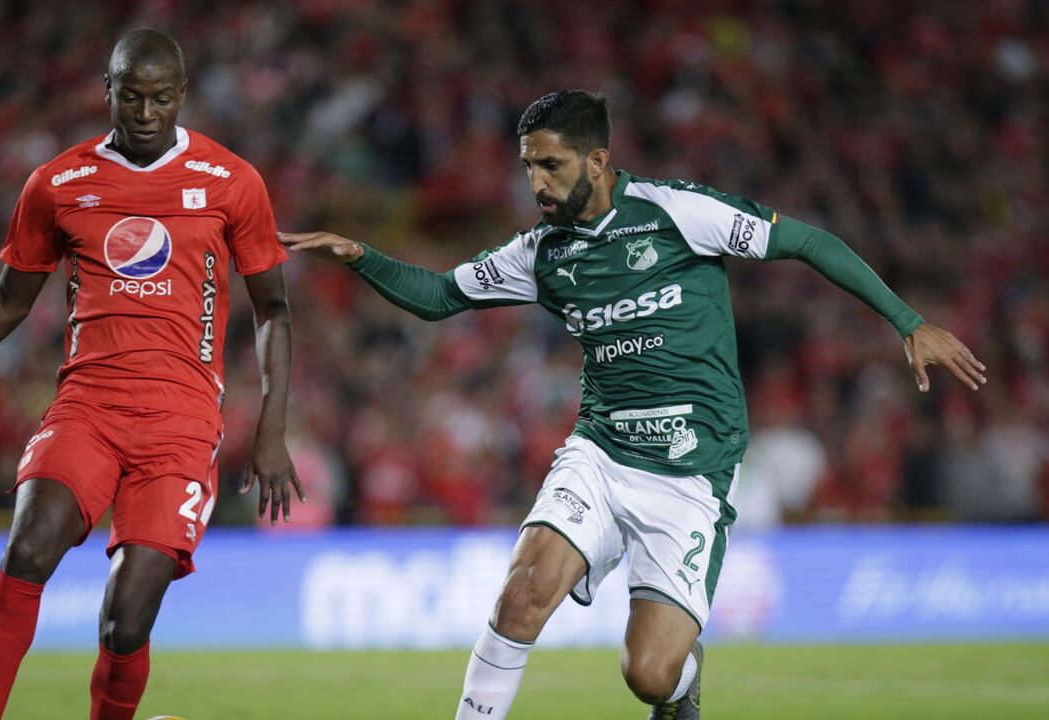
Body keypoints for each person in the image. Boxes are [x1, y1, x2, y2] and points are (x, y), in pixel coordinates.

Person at [281, 90, 985, 719]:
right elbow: (439, 296)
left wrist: (908, 322)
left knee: (649, 675)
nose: (536, 182)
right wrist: (362, 257)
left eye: (550, 165)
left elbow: (806, 240)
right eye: (528, 166)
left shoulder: (677, 213)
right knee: (520, 596)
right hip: (601, 453)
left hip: (691, 471)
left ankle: (682, 685)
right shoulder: (541, 253)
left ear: (597, 160)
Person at [0, 29, 304, 720]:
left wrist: (272, 430)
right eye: (131, 97)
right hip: (87, 409)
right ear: (107, 90)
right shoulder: (58, 184)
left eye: (161, 99)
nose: (146, 113)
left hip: (181, 423)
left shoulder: (232, 182)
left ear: (182, 95)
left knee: (125, 622)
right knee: (28, 547)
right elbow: (7, 301)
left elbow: (274, 310)